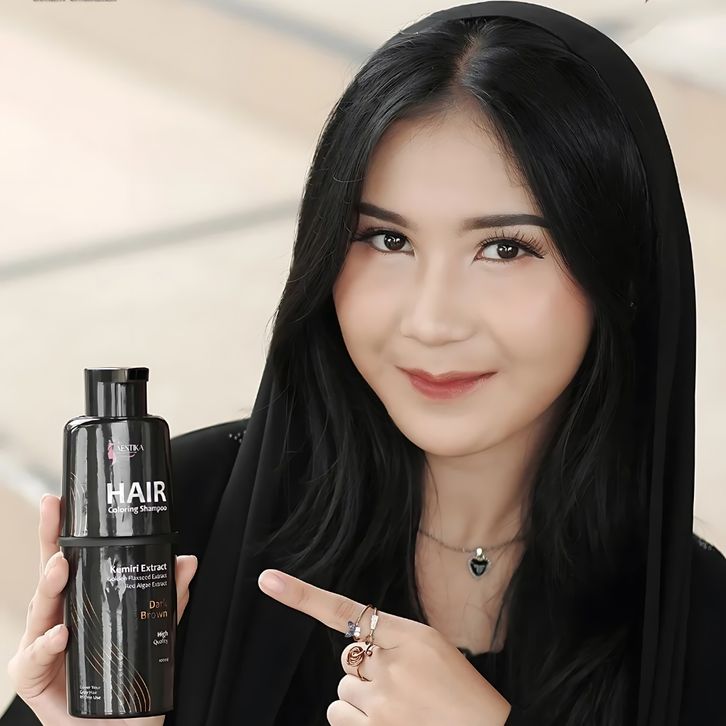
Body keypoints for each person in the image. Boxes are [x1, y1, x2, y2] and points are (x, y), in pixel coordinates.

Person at [3, 1, 726, 724]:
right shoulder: (178, 526)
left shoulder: (702, 626)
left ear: (622, 277)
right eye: (388, 240)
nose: (431, 321)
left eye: (504, 248)